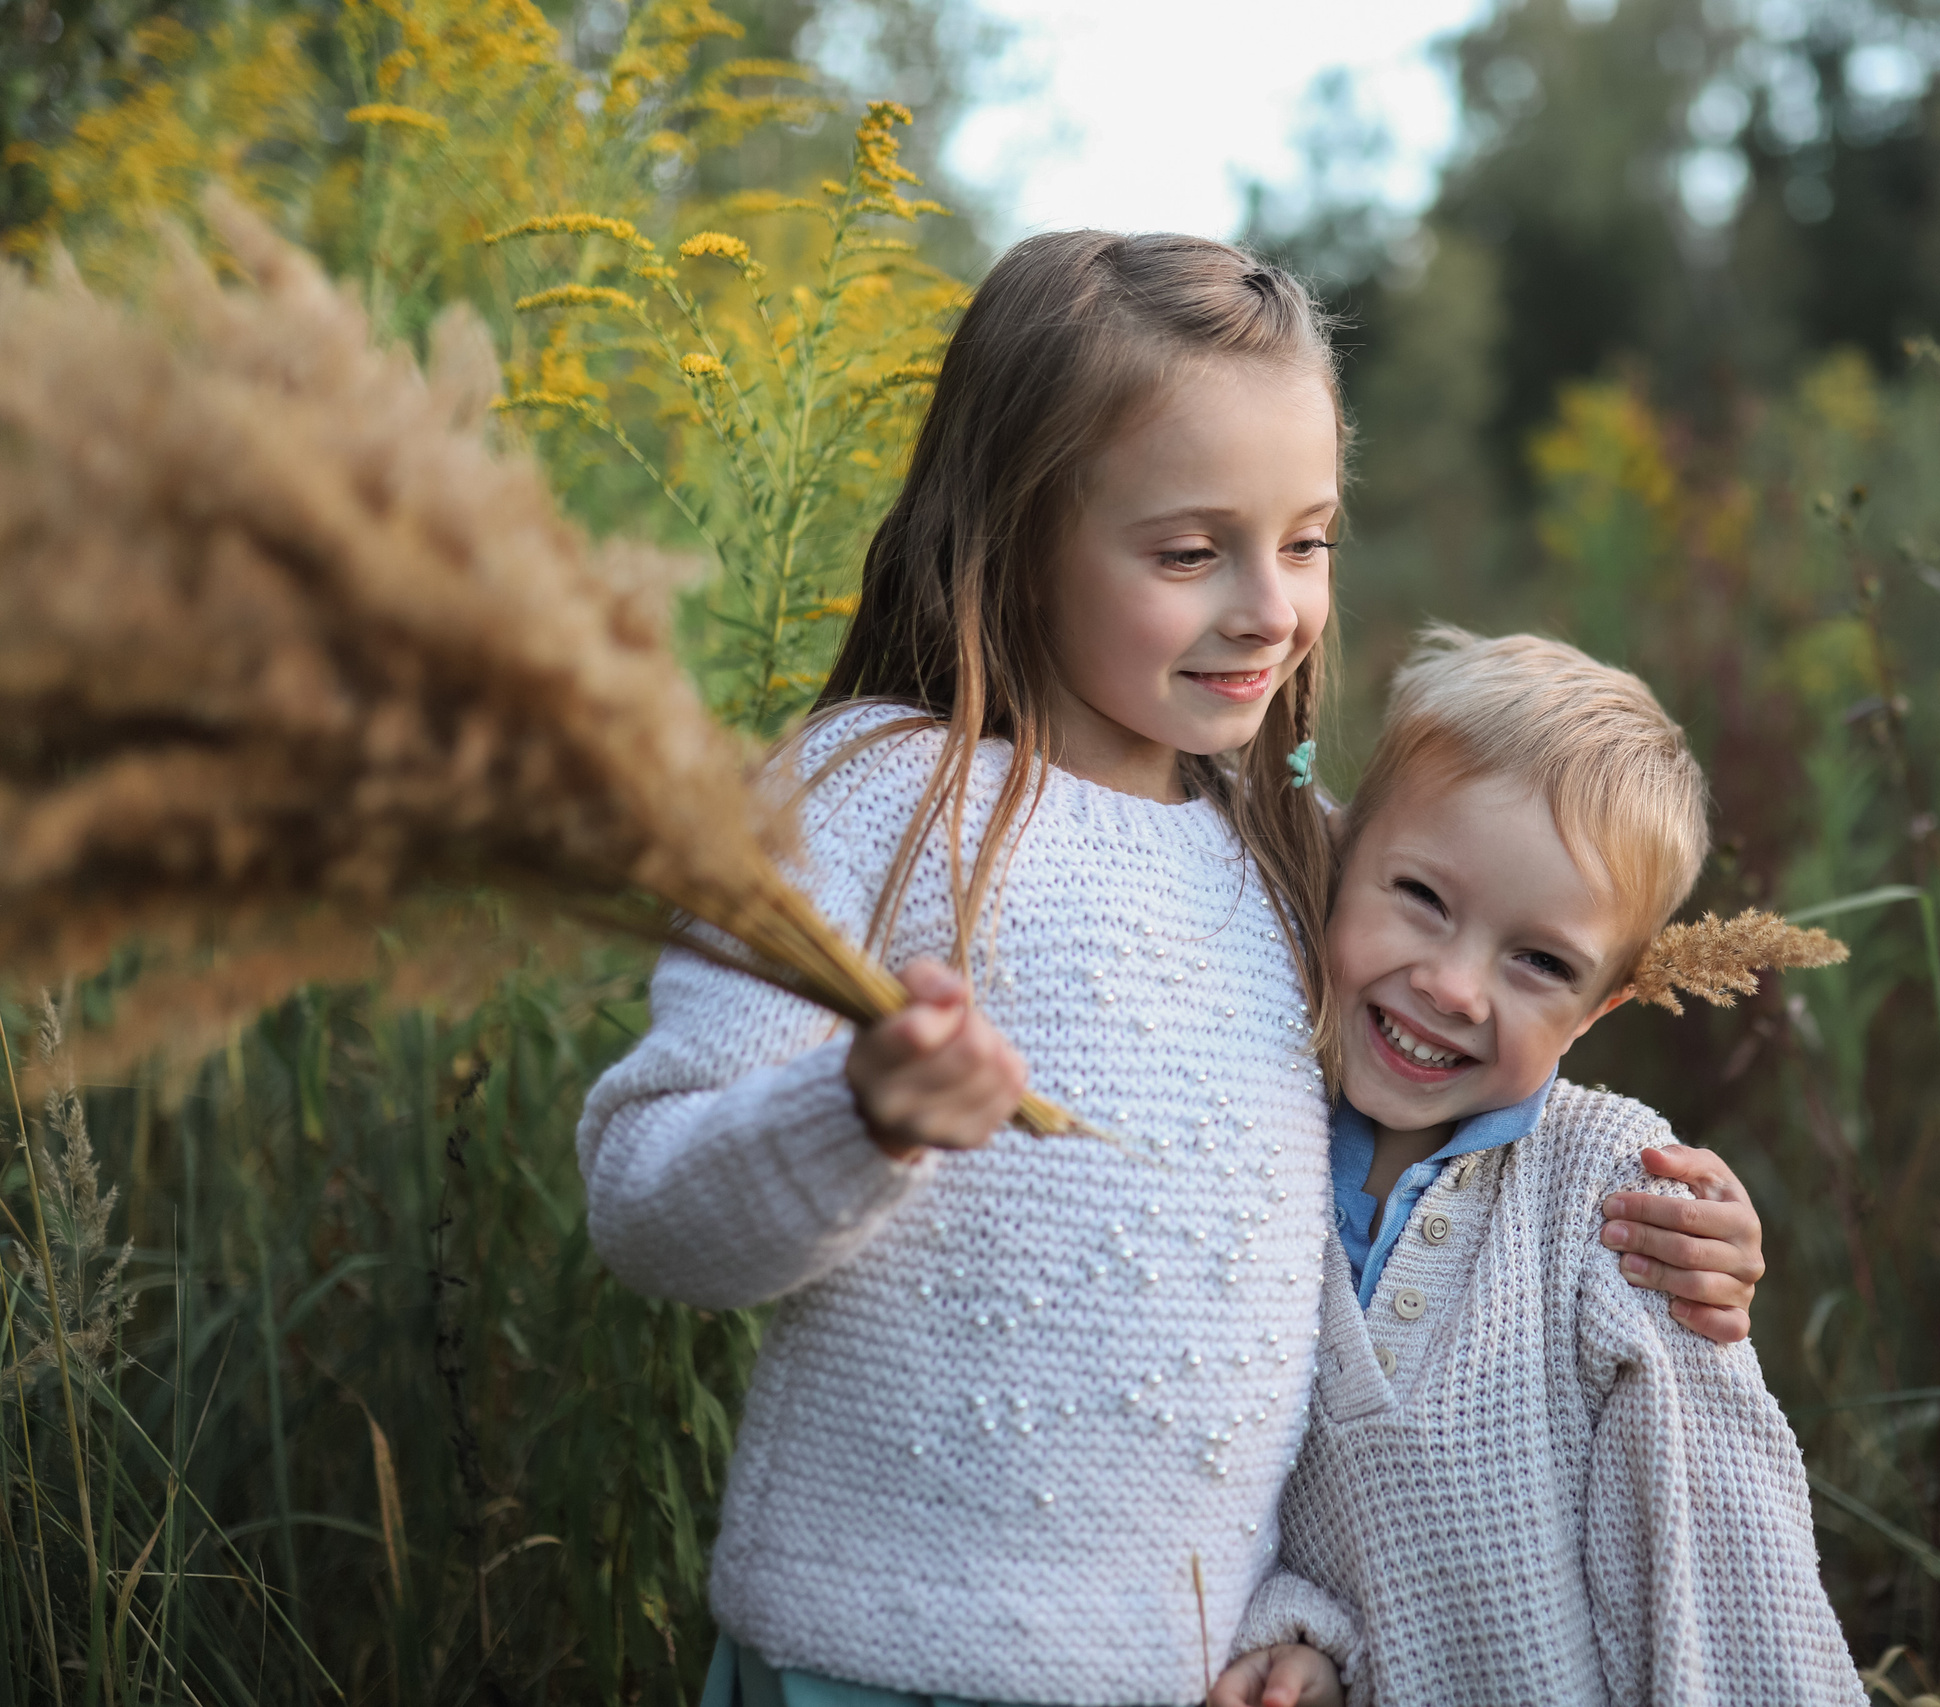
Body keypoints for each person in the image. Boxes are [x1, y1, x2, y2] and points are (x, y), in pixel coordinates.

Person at [576, 234, 1760, 1707]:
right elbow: (646, 1203)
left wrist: (1662, 1223)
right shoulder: (871, 797)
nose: (1271, 606)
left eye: (1309, 538)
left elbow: (1357, 1239)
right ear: (1013, 532)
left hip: (1177, 1669)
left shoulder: (1288, 851)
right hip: (867, 1654)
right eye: (1193, 551)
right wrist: (856, 1110)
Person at [1214, 630, 1864, 1707]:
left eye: (1540, 962)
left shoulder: (1609, 1188)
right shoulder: (1238, 1121)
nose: (1457, 986)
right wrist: (1301, 1635)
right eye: (1420, 895)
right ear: (1335, 856)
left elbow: (1725, 1541)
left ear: (1598, 1009)